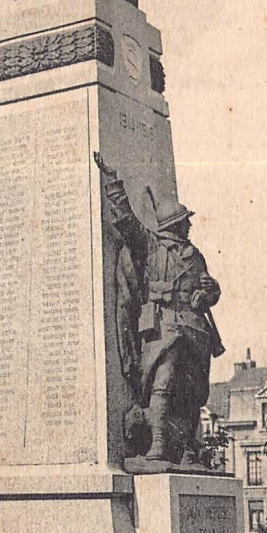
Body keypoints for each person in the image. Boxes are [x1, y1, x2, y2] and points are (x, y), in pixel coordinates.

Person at [94, 152, 223, 464]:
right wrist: (113, 182)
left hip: (193, 329)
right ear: (175, 225)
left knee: (192, 392)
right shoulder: (152, 246)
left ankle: (190, 451)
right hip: (164, 327)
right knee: (161, 384)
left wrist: (209, 291)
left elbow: (210, 290)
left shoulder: (195, 255)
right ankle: (158, 445)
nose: (189, 225)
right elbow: (127, 222)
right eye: (185, 222)